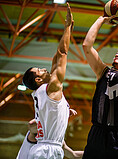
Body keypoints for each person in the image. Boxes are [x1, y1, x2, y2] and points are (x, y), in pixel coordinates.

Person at [82, 0, 118, 158]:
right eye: (117, 53)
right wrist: (101, 19)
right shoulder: (103, 72)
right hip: (98, 133)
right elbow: (87, 46)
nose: (117, 54)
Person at [22, 3, 74, 159]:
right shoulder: (51, 88)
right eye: (40, 70)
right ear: (38, 79)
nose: (44, 69)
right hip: (46, 150)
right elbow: (62, 53)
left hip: (44, 149)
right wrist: (67, 28)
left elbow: (56, 58)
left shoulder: (43, 91)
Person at [16, 119, 84, 159]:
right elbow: (31, 125)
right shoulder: (38, 133)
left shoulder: (57, 141)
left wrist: (93, 153)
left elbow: (74, 155)